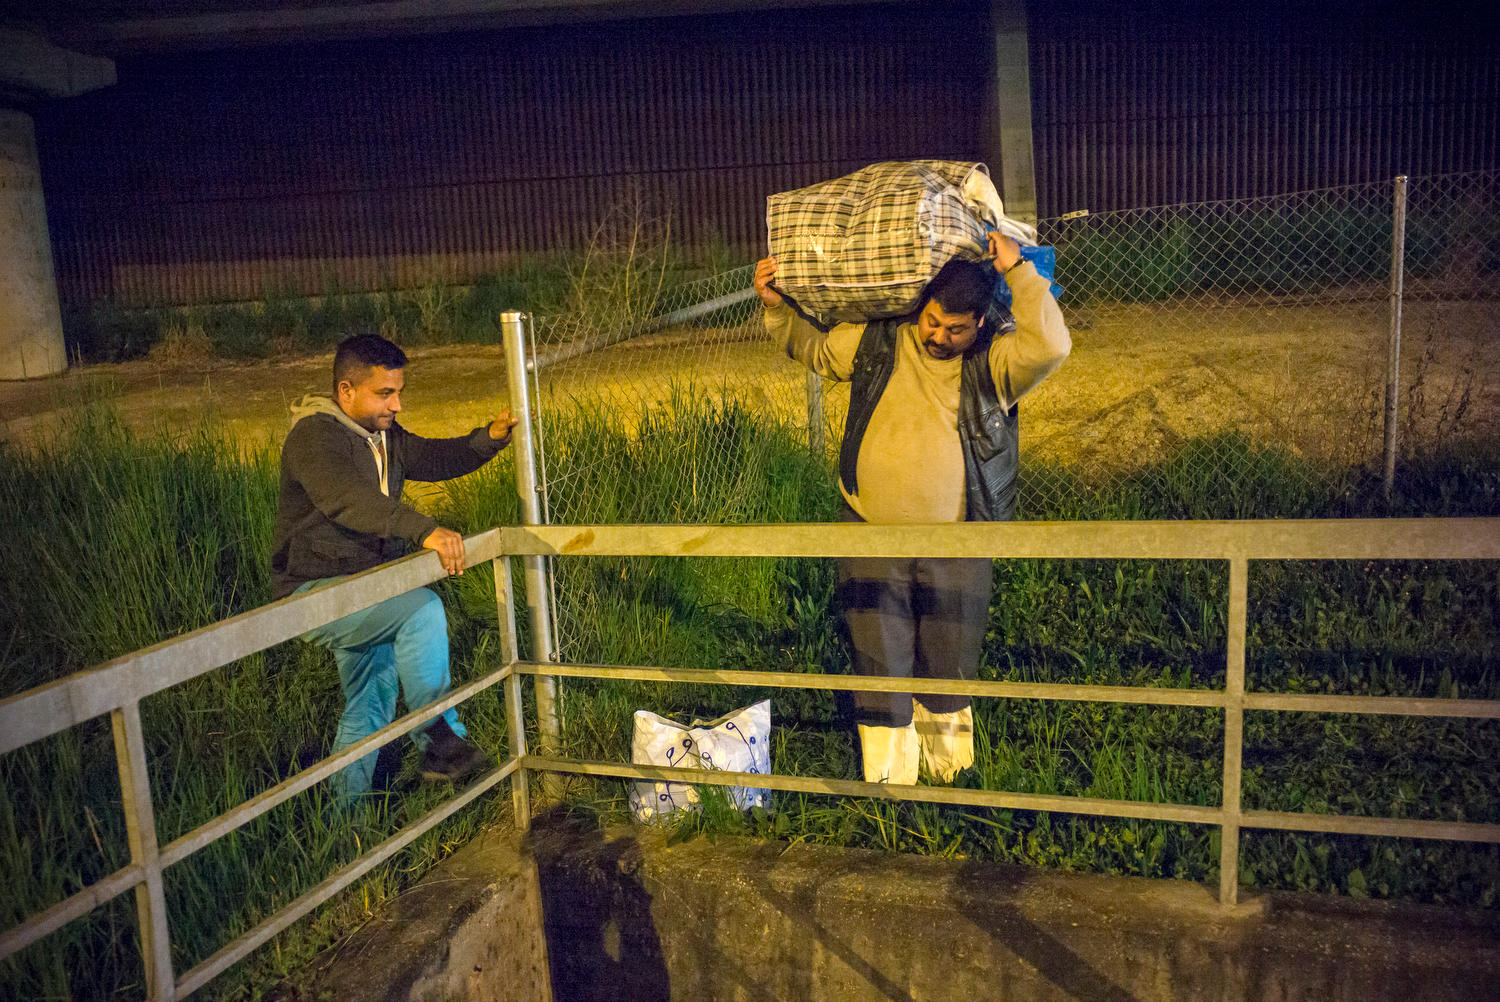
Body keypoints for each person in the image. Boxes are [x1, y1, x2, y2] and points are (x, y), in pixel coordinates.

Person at [753, 232, 1070, 785]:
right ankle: (888, 785)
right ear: (920, 306)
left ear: (979, 324)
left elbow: (1052, 348)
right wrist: (778, 310)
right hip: (869, 532)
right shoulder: (878, 341)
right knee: (879, 660)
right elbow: (813, 348)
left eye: (955, 328)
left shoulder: (996, 361)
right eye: (931, 320)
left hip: (958, 540)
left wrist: (1017, 271)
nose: (938, 336)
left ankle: (950, 781)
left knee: (949, 659)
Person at [270, 333, 519, 800]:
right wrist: (422, 528)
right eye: (385, 393)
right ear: (346, 391)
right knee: (421, 610)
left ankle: (345, 831)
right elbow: (348, 500)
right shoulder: (314, 439)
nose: (397, 404)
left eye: (399, 392)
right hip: (314, 593)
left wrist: (488, 439)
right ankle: (439, 741)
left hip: (366, 590)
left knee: (369, 707)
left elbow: (435, 456)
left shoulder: (383, 436)